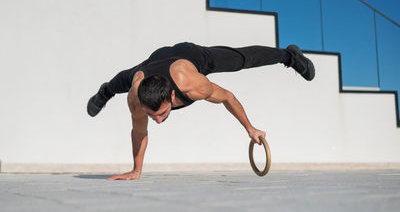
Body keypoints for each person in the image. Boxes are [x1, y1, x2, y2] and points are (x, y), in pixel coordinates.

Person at [87, 42, 315, 180]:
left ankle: (290, 56)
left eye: (162, 113)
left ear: (173, 97)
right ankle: (103, 92)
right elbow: (139, 133)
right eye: (151, 115)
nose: (157, 121)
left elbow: (228, 97)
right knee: (123, 80)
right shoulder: (136, 99)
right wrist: (136, 170)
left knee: (242, 59)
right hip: (152, 63)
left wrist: (250, 128)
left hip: (191, 55)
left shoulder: (193, 85)